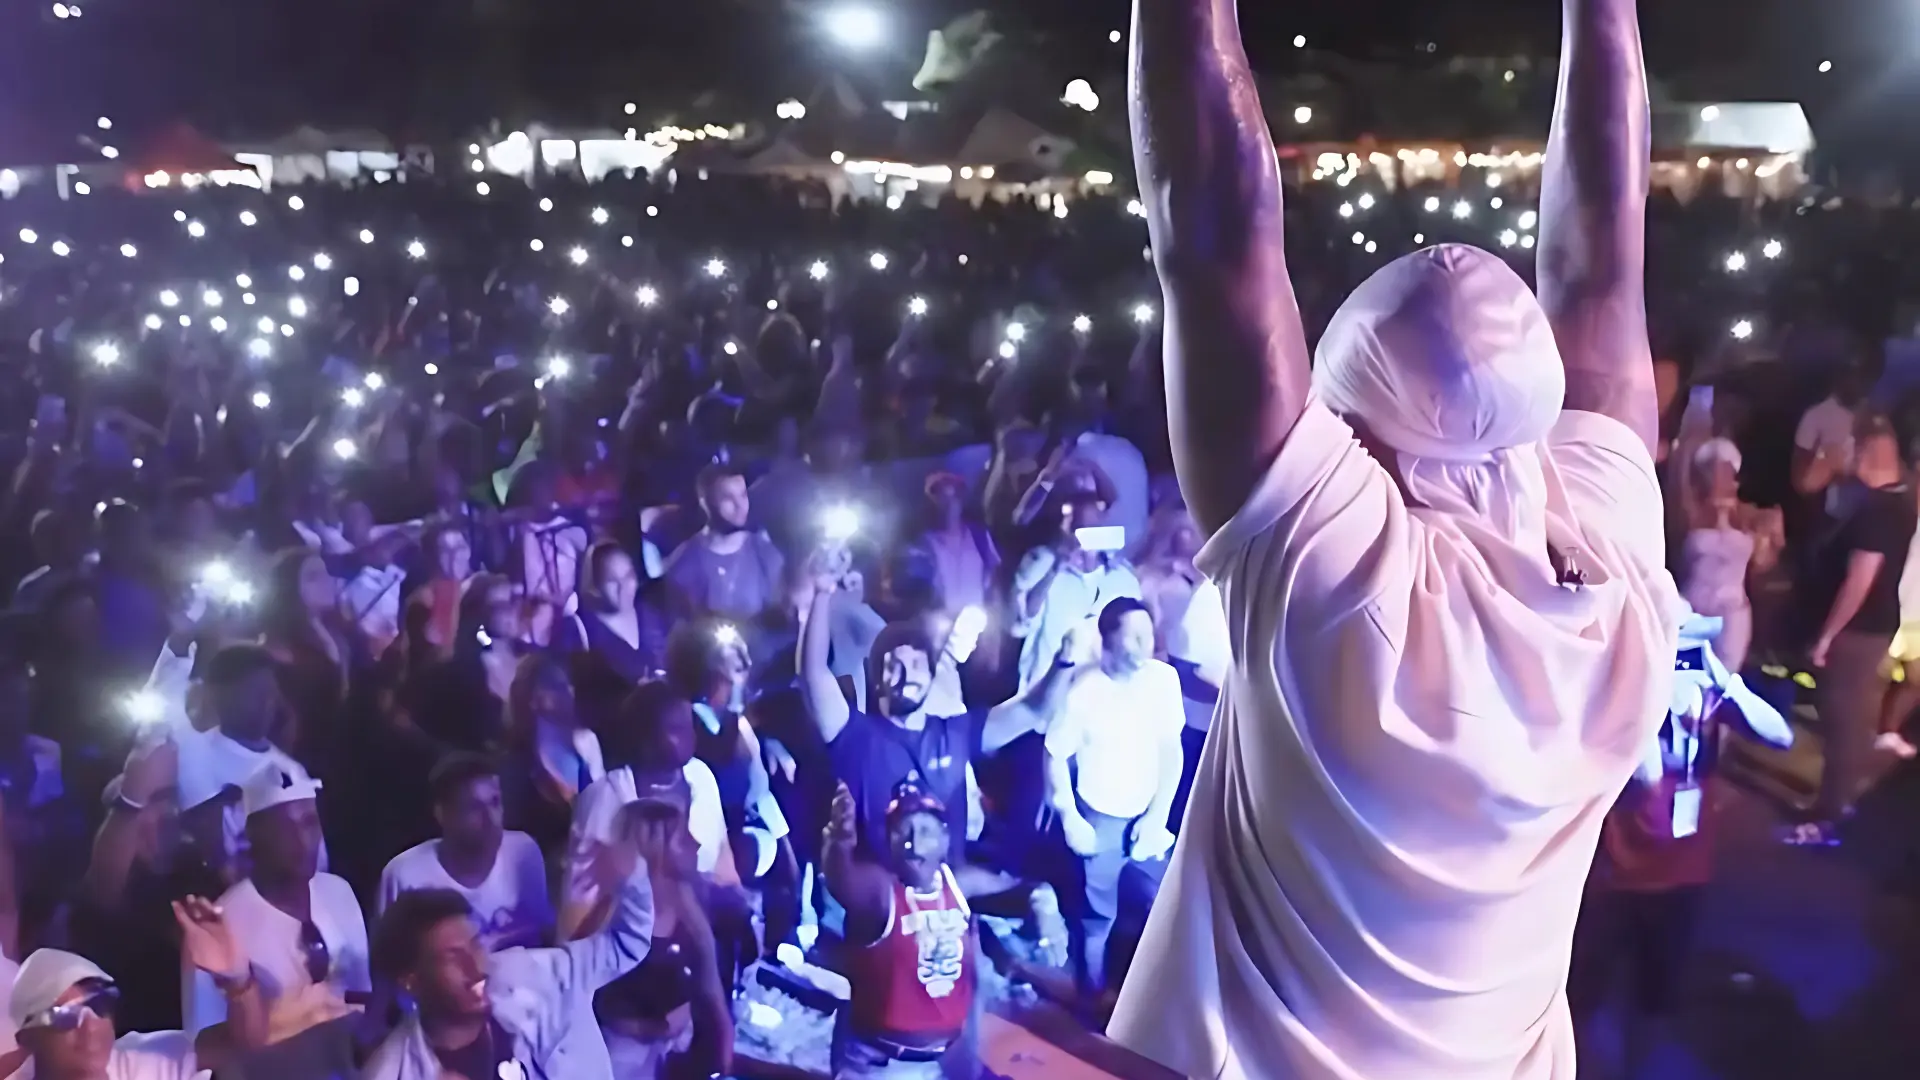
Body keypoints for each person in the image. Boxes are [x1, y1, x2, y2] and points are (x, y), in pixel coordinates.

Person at [1109, 1, 1679, 1076]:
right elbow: (1602, 262)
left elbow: (1214, 225)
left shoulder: (1335, 583)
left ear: (1362, 429)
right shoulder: (1615, 575)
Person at [361, 838, 653, 1080]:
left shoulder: (536, 975)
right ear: (411, 981)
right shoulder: (390, 1073)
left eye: (475, 945)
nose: (474, 966)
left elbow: (624, 944)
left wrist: (632, 877)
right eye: (452, 956)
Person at [1043, 598, 1183, 994]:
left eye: (1147, 634)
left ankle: (1157, 999)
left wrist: (1157, 815)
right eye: (1133, 635)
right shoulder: (1083, 690)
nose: (1144, 643)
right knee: (1096, 920)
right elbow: (1054, 755)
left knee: (1166, 906)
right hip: (1100, 816)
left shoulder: (1163, 680)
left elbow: (1171, 751)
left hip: (1149, 816)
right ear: (1108, 640)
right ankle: (1091, 999)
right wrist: (1070, 816)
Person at [1790, 413, 1917, 846]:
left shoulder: (1879, 512)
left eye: (1850, 448)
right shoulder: (1896, 501)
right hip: (1875, 627)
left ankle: (1831, 816)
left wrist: (1826, 635)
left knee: (1843, 719)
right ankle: (1840, 802)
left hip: (1858, 631)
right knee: (1855, 717)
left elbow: (1859, 579)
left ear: (1866, 453)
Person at [184, 760, 370, 1044]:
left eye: (309, 822)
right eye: (285, 829)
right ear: (253, 835)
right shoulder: (221, 924)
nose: (303, 841)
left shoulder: (339, 892)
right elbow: (203, 1043)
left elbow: (362, 995)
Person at [9, 899, 267, 1080]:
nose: (90, 1026)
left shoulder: (141, 1061)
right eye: (64, 1016)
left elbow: (241, 1043)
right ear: (27, 1039)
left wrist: (237, 980)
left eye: (99, 1004)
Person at [825, 781, 976, 1080]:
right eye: (902, 832)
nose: (914, 845)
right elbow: (842, 881)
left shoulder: (960, 886)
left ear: (945, 840)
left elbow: (1013, 891)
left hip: (941, 1063)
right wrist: (838, 843)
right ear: (889, 842)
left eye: (926, 832)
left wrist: (1041, 900)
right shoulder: (881, 890)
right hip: (876, 1062)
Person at [379, 754, 555, 953]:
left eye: (495, 802)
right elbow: (389, 962)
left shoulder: (524, 851)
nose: (490, 818)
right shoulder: (406, 875)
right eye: (474, 807)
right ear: (443, 814)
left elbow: (545, 935)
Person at [662, 464, 785, 622]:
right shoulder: (683, 565)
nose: (740, 506)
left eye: (743, 495)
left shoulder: (766, 552)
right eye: (728, 498)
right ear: (705, 503)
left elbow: (780, 617)